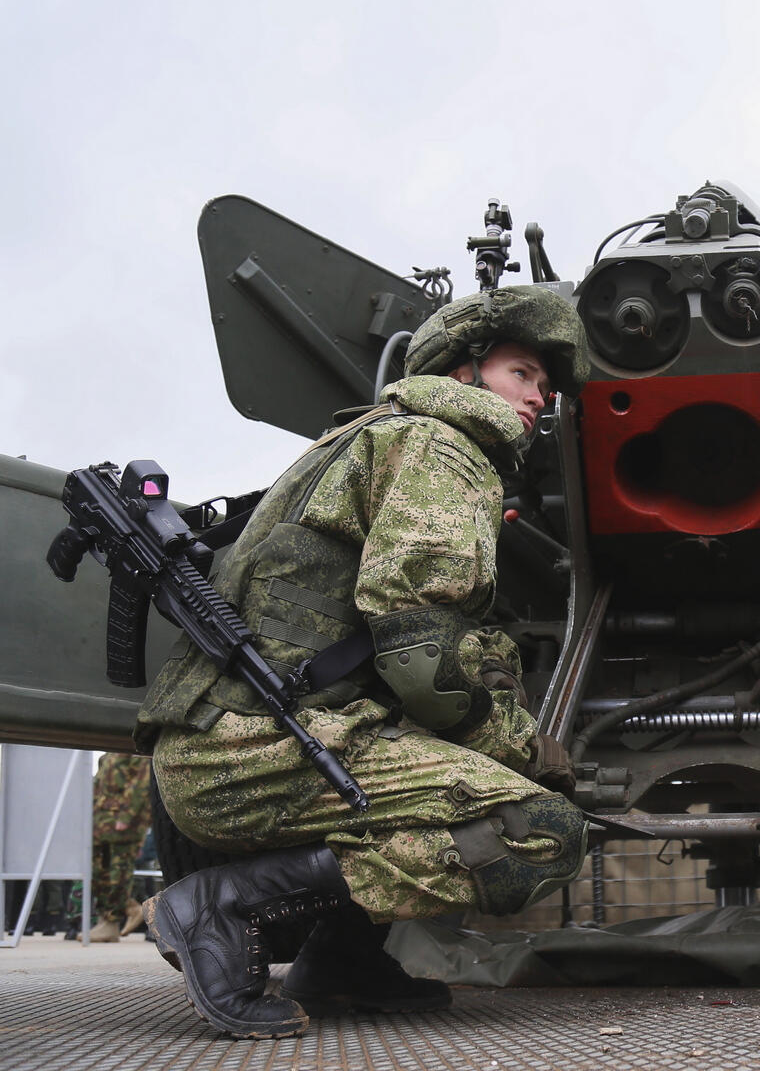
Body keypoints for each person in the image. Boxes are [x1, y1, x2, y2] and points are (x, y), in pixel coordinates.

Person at [137, 285, 591, 1039]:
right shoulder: (442, 446)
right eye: (522, 374)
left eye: (545, 385)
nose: (538, 397)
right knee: (537, 830)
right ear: (464, 372)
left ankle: (342, 961)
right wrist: (524, 751)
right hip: (254, 753)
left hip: (227, 742)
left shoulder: (370, 435)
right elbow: (422, 657)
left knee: (439, 783)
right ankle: (215, 907)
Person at [84, 752, 153, 942]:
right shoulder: (107, 754)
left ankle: (111, 923)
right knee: (99, 871)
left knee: (118, 873)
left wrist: (127, 816)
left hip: (123, 823)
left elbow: (141, 783)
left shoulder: (133, 749)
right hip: (102, 822)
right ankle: (128, 909)